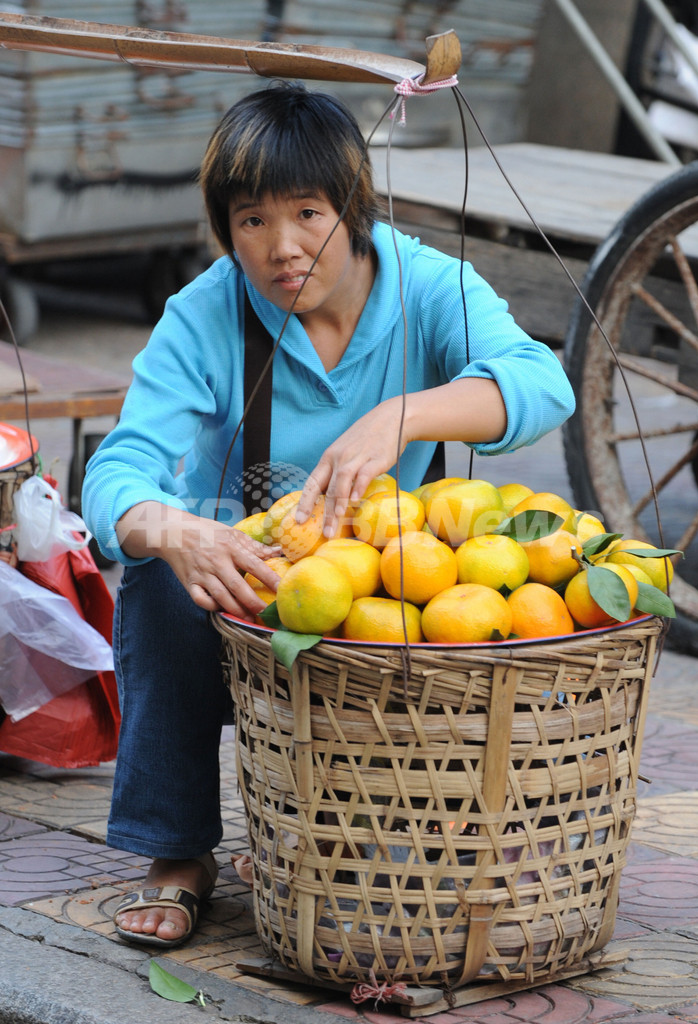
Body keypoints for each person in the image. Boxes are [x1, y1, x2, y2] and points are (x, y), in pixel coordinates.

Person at [82, 81, 575, 949]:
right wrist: (178, 529)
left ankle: (356, 833)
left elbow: (542, 384)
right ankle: (175, 851)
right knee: (160, 577)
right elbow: (120, 467)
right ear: (225, 229)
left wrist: (403, 416)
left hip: (387, 582)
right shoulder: (205, 314)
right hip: (249, 579)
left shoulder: (431, 287)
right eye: (251, 221)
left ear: (353, 206)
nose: (282, 247)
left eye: (308, 212)